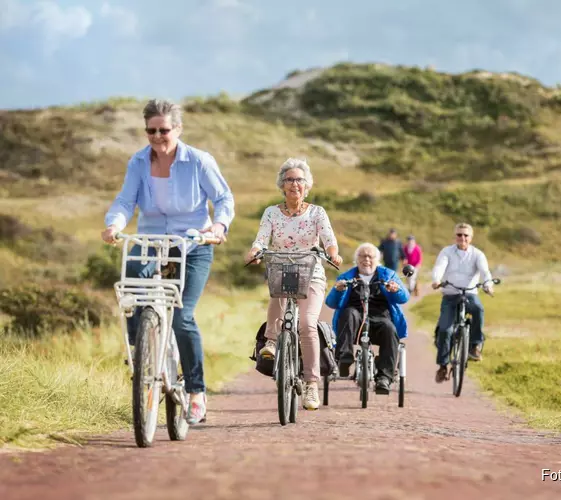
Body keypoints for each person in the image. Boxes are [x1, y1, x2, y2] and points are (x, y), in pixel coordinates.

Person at [101, 98, 235, 424]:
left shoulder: (199, 161)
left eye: (164, 130)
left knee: (181, 315)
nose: (157, 137)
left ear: (177, 129)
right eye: (151, 130)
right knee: (131, 286)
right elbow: (125, 200)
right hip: (150, 243)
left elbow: (223, 199)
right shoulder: (138, 162)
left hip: (191, 245)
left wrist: (218, 227)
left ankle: (196, 391)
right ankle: (141, 349)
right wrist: (114, 225)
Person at [244, 158, 343, 411]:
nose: (294, 184)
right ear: (282, 185)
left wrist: (333, 253)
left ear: (307, 185)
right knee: (276, 298)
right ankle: (271, 343)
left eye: (299, 180)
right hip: (281, 269)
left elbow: (329, 240)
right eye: (289, 179)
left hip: (312, 273)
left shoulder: (317, 213)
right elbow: (261, 239)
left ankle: (311, 384)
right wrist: (254, 252)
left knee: (307, 324)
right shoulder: (271, 213)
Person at [325, 243, 409, 394]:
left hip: (380, 317)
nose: (367, 259)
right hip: (355, 317)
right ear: (356, 259)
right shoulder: (347, 276)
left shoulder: (388, 275)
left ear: (378, 260)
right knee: (348, 313)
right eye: (363, 256)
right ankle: (344, 357)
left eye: (371, 256)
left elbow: (404, 297)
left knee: (390, 329)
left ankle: (384, 377)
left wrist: (396, 290)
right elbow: (331, 302)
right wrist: (338, 290)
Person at [431, 223, 493, 383]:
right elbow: (439, 266)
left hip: (470, 293)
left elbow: (485, 271)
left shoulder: (477, 254)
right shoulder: (447, 252)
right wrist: (436, 280)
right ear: (455, 236)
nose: (462, 238)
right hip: (450, 294)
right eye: (459, 235)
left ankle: (474, 346)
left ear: (471, 238)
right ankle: (443, 366)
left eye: (466, 235)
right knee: (445, 329)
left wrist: (487, 284)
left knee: (478, 309)